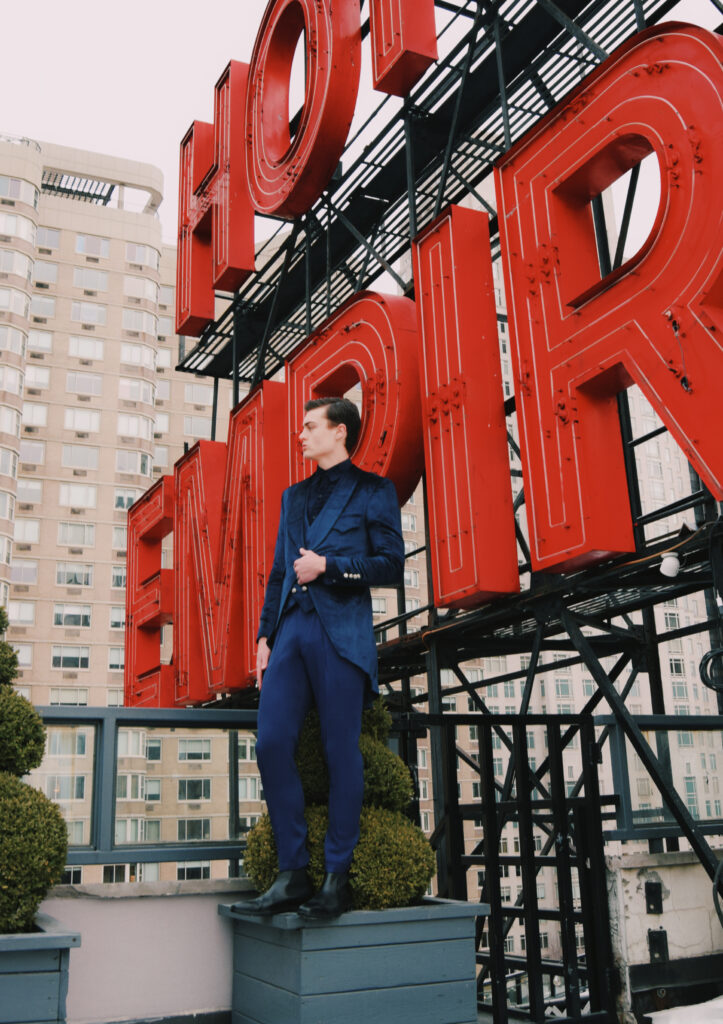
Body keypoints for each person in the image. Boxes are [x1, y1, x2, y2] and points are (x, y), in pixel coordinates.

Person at [235, 396, 405, 919]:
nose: (302, 435)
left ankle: (336, 877)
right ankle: (292, 873)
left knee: (340, 753)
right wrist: (264, 637)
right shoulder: (293, 496)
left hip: (340, 634)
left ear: (340, 432)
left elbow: (391, 565)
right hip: (290, 630)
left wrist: (329, 567)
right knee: (270, 744)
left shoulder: (375, 490)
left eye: (310, 427)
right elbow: (279, 571)